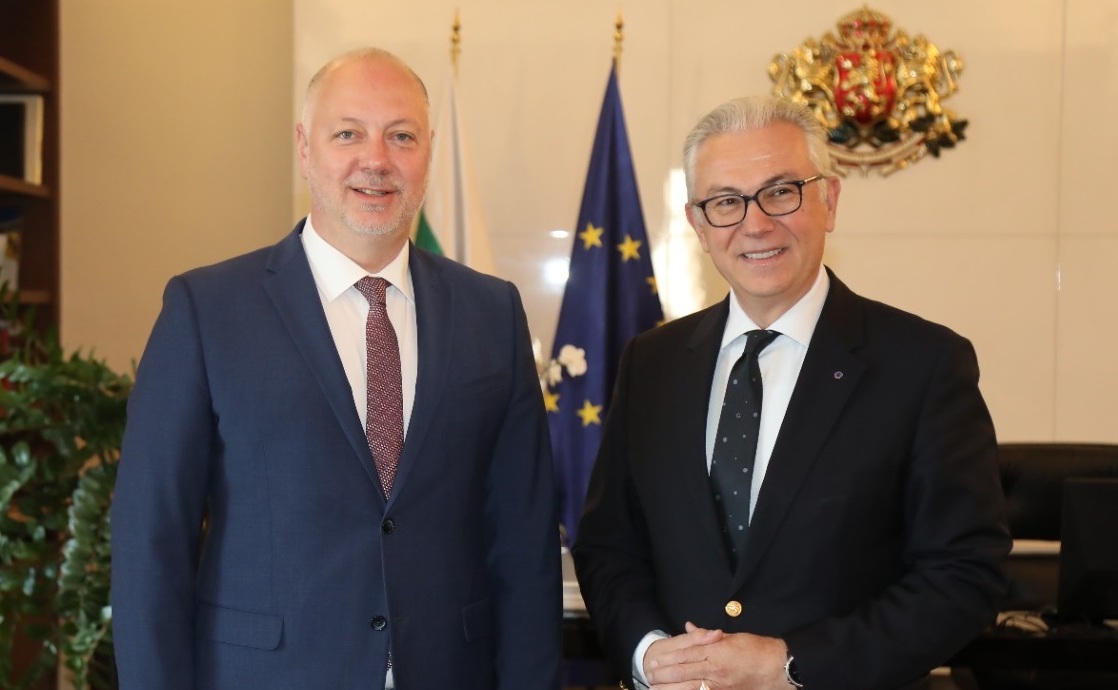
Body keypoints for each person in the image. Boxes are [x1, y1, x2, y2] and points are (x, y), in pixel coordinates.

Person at [110, 47, 561, 690]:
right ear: (304, 148)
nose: (376, 160)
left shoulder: (492, 312)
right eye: (348, 133)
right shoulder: (206, 310)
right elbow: (151, 542)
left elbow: (524, 542)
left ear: (428, 152)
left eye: (401, 136)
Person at [572, 94, 1011, 690]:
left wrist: (790, 663)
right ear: (698, 225)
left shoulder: (923, 364)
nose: (755, 224)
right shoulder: (652, 362)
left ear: (829, 201)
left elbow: (964, 574)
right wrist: (648, 653)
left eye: (781, 192)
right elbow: (609, 546)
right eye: (726, 202)